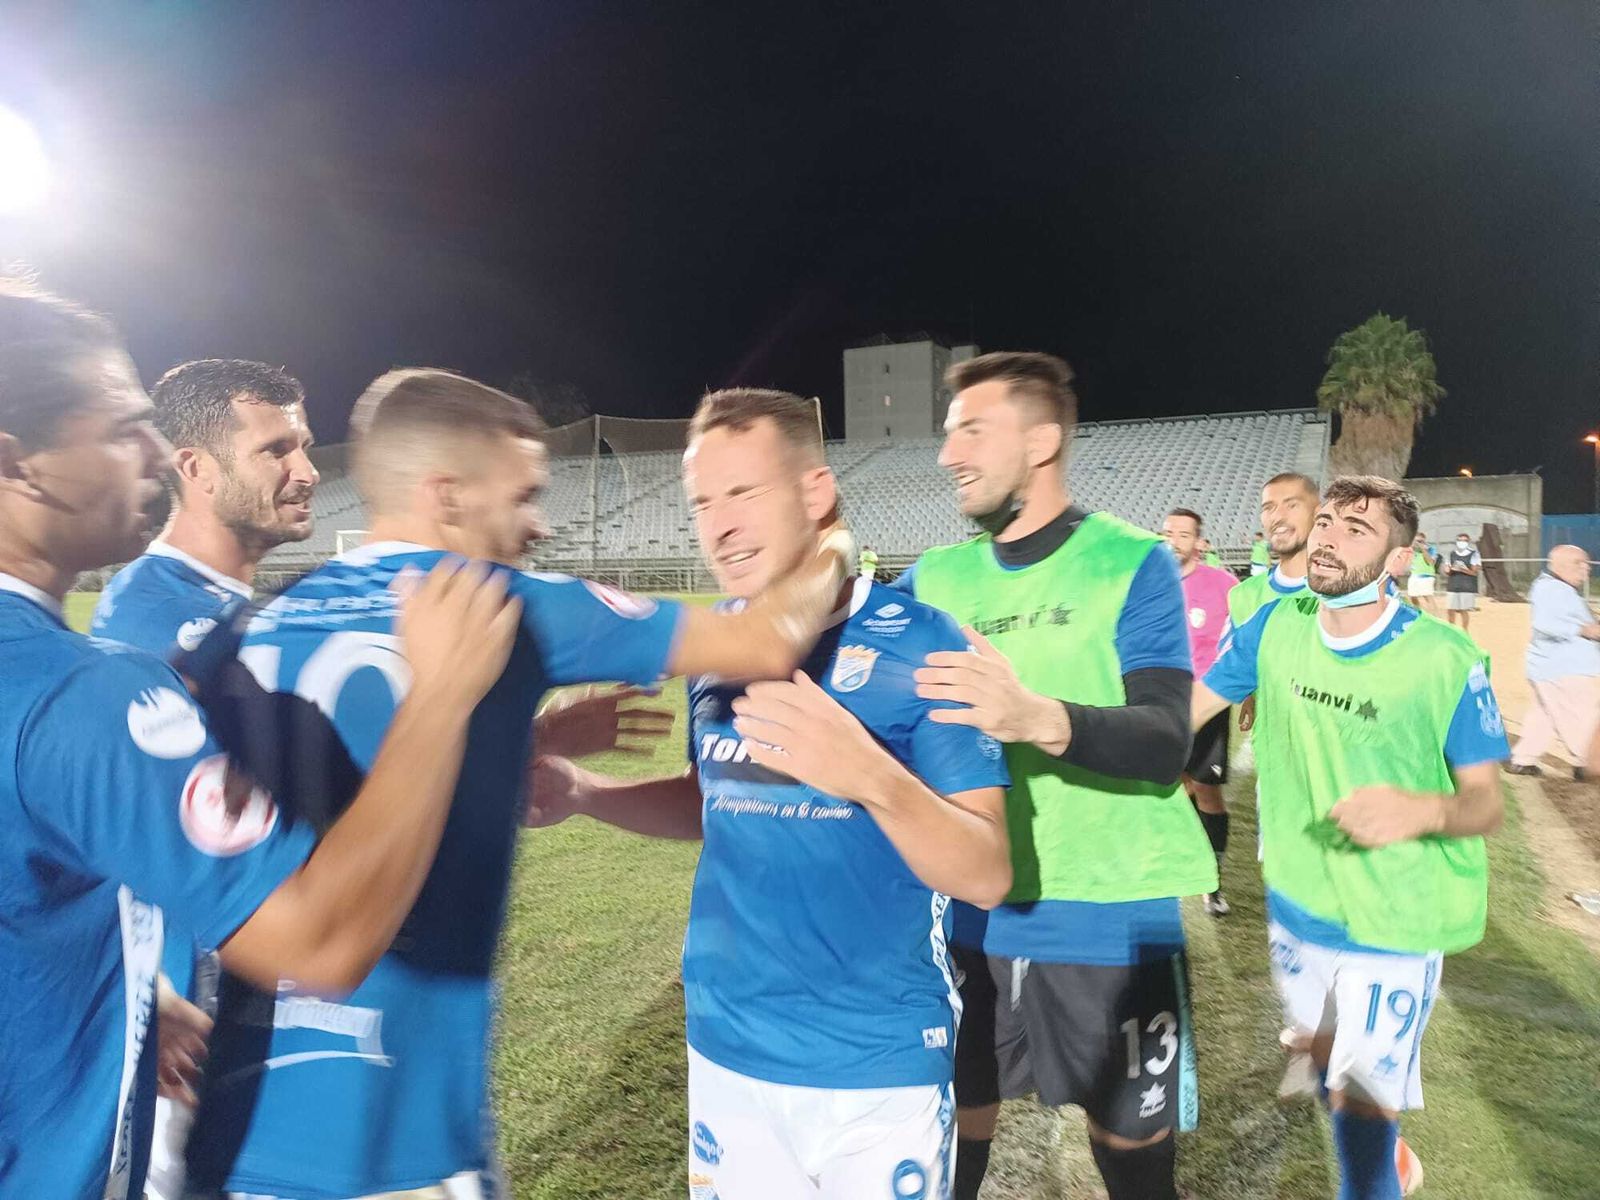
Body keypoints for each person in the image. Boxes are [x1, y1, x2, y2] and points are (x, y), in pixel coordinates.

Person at [180, 370, 854, 1200]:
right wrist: (833, 546)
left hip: (234, 1133)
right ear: (449, 496)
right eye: (524, 495)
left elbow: (346, 777)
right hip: (396, 1144)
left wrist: (523, 740)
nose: (538, 524)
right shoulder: (501, 604)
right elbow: (768, 638)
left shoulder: (254, 625)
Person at [0, 279, 524, 1200]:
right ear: (17, 464)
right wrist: (441, 696)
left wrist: (124, 998)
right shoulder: (87, 684)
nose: (157, 451)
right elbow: (315, 941)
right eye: (121, 428)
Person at [530, 387, 1012, 1200]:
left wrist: (869, 776)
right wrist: (585, 792)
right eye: (702, 501)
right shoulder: (720, 644)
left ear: (815, 492)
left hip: (876, 1061)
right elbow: (709, 798)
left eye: (743, 492)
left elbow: (987, 871)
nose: (718, 523)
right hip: (728, 1048)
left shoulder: (922, 642)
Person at [895, 352, 1215, 1200]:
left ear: (1042, 441)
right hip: (968, 916)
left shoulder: (1129, 561)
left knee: (1133, 1163)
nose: (946, 453)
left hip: (1108, 922)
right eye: (947, 431)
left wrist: (1034, 715)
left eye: (971, 429)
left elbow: (1162, 738)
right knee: (952, 1145)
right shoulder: (935, 577)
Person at [1192, 476, 1507, 1200]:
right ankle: (1386, 1149)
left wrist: (1417, 811)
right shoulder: (1275, 624)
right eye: (1327, 520)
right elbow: (1191, 706)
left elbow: (1485, 805)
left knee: (1361, 1110)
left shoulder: (1446, 662)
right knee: (1323, 1053)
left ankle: (1377, 1169)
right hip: (1296, 905)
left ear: (1401, 558)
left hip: (1392, 922)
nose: (1329, 536)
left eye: (1356, 529)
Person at [89, 358, 320, 1198]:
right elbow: (77, 827)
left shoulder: (275, 608)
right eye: (276, 449)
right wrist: (143, 996)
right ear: (195, 467)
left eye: (305, 444)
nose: (308, 470)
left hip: (280, 1003)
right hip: (195, 1023)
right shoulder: (144, 622)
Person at [1162, 508, 1239, 916]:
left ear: (1200, 543)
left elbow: (1244, 639)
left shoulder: (1224, 585)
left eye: (1183, 534)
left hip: (1208, 702)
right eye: (1168, 532)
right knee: (1167, 786)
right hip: (1162, 703)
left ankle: (1212, 882)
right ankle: (1177, 869)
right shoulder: (1151, 584)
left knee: (1207, 789)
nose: (1173, 540)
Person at [1227, 473, 1319, 738]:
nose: (1278, 516)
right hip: (1273, 759)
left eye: (1291, 505)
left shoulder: (1350, 587)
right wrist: (1252, 696)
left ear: (1318, 512)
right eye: (1269, 508)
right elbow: (1250, 661)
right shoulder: (1243, 596)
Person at [1507, 545, 1600, 782]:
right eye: (1580, 564)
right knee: (1583, 716)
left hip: (1551, 667)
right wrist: (1585, 629)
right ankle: (1587, 764)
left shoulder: (1556, 588)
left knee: (1544, 716)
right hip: (1564, 668)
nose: (1586, 570)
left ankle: (1522, 760)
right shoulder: (1551, 589)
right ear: (1561, 565)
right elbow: (1545, 624)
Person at [1442, 531, 1482, 633]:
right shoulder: (1451, 554)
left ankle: (1464, 631)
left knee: (1463, 610)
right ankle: (1451, 631)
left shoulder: (1474, 554)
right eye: (1459, 540)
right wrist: (1449, 569)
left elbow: (1474, 572)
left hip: (1467, 586)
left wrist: (1462, 569)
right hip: (1453, 585)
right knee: (1450, 609)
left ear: (1468, 542)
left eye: (1464, 540)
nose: (1462, 542)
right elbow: (1447, 569)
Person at [1403, 532, 1439, 613]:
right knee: (1412, 596)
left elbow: (1430, 562)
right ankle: (1419, 613)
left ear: (1424, 541)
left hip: (1426, 576)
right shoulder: (1411, 549)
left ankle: (1435, 617)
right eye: (1416, 541)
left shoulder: (1431, 549)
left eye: (1420, 541)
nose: (1417, 543)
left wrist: (1423, 549)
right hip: (1414, 575)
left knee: (1428, 596)